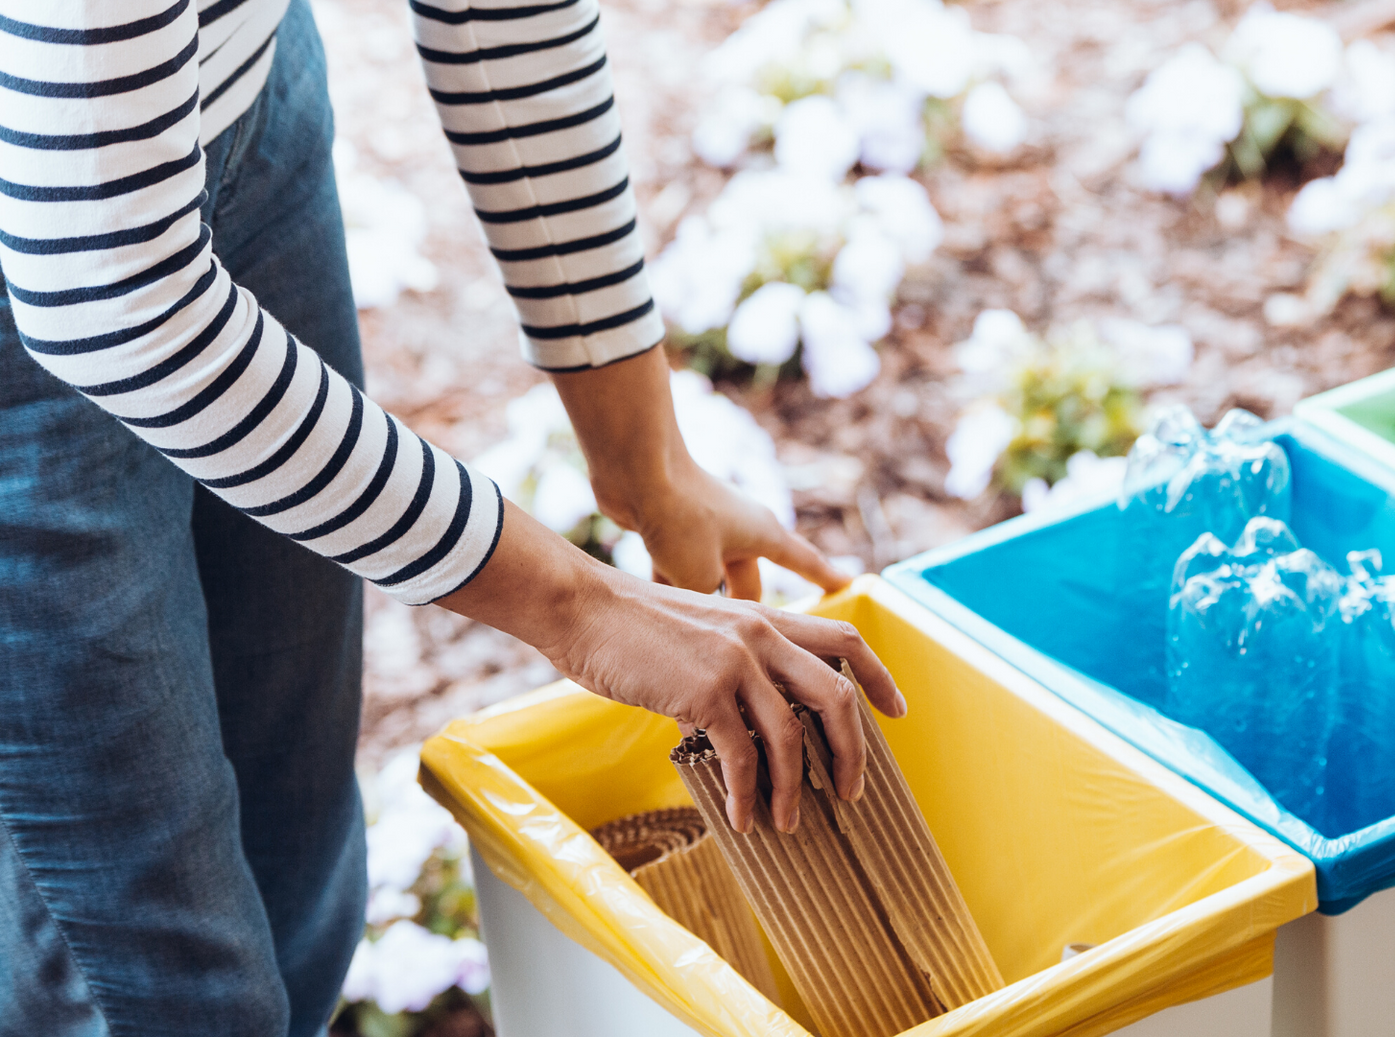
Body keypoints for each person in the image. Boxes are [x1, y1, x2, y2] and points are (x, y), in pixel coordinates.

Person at [0, 0, 904, 1033]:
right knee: (159, 990)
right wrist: (581, 604)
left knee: (295, 881)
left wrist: (642, 455)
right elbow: (106, 290)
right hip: (59, 240)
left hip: (235, 94)